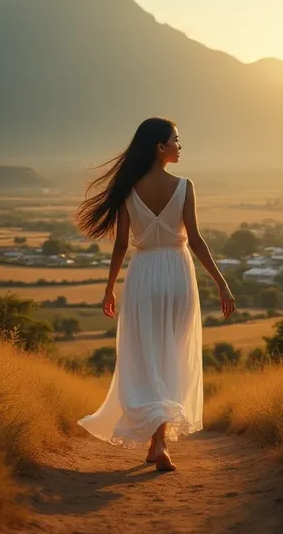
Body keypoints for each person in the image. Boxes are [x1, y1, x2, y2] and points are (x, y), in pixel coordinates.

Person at [75, 117, 236, 472]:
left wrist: (108, 289)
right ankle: (158, 442)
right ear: (160, 148)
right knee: (172, 353)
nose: (180, 146)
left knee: (147, 353)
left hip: (144, 274)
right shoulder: (184, 186)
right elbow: (195, 239)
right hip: (178, 273)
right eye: (176, 140)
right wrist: (222, 282)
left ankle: (157, 440)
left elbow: (120, 246)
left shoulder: (128, 189)